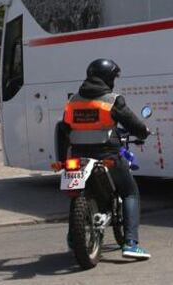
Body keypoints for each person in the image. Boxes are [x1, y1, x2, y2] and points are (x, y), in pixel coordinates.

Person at [57, 59, 151, 260]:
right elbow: (133, 123)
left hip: (78, 158)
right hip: (107, 157)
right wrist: (144, 132)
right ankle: (131, 244)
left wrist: (62, 159)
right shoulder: (112, 100)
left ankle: (74, 237)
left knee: (77, 193)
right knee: (130, 192)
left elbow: (62, 129)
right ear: (108, 78)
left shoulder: (73, 100)